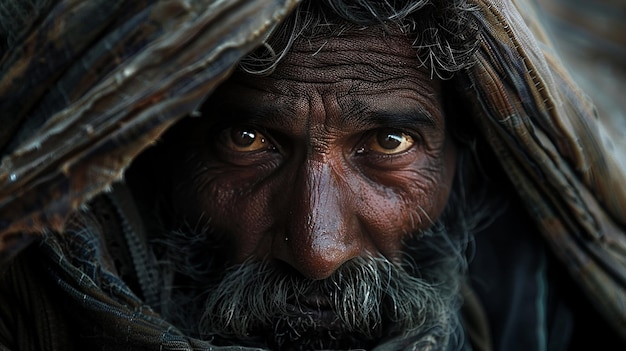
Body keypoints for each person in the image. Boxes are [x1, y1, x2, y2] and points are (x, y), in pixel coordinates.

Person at [0, 0, 625, 350]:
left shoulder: (552, 317)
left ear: (463, 158)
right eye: (247, 141)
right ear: (150, 152)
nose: (316, 250)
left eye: (388, 142)